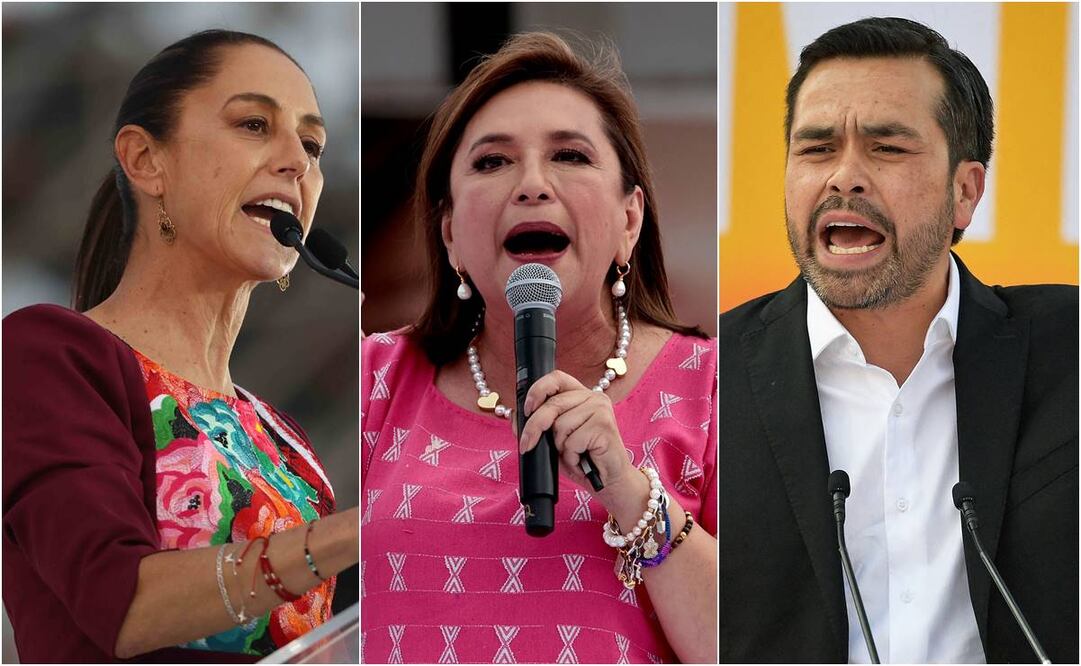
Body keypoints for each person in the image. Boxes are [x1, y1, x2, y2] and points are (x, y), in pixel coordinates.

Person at [719, 16, 1078, 663]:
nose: (844, 177)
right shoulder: (711, 377)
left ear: (964, 191)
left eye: (885, 148)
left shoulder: (1069, 348)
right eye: (816, 148)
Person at [2, 30, 359, 662]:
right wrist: (352, 535)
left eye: (313, 145)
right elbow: (121, 603)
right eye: (253, 124)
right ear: (145, 161)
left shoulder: (286, 443)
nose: (296, 163)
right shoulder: (51, 356)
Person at [361, 32, 717, 664]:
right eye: (492, 162)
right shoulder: (376, 379)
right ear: (448, 233)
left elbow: (763, 640)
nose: (531, 185)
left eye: (571, 157)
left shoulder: (718, 389)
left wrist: (631, 496)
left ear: (629, 219)